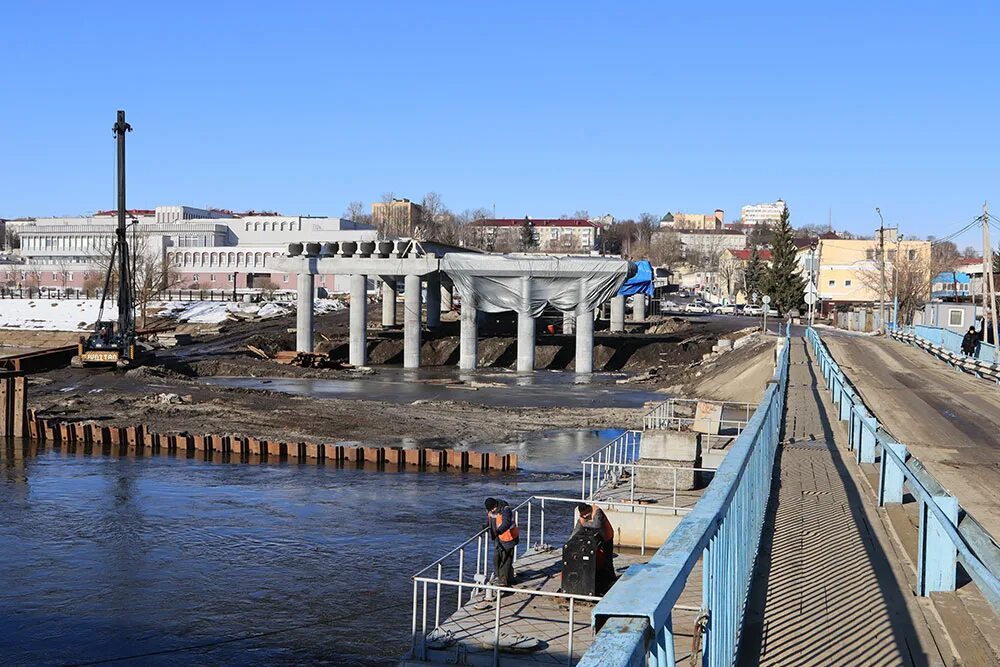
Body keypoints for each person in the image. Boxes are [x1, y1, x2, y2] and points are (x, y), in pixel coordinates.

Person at [575, 502, 617, 583]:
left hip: (606, 535)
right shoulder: (583, 516)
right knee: (596, 559)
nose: (585, 517)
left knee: (607, 559)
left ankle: (611, 579)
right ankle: (599, 577)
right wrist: (569, 542)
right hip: (597, 538)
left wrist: (584, 524)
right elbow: (576, 529)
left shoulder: (597, 512)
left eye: (586, 515)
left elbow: (596, 526)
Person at [485, 497, 519, 589]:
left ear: (495, 505)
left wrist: (499, 531)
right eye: (490, 509)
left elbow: (506, 523)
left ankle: (503, 582)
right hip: (498, 539)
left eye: (492, 509)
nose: (491, 511)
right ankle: (508, 578)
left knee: (505, 560)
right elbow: (490, 519)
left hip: (509, 538)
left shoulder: (505, 510)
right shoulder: (491, 510)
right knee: (497, 559)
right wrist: (486, 525)